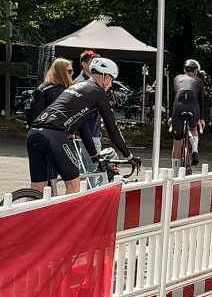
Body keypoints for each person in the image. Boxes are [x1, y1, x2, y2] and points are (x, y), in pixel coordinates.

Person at [26, 57, 140, 194]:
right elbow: (113, 130)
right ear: (106, 77)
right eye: (112, 79)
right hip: (54, 135)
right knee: (74, 184)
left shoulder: (76, 86)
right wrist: (129, 156)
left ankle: (28, 212)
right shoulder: (99, 93)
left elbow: (82, 126)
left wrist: (93, 154)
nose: (111, 84)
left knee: (38, 187)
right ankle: (65, 216)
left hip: (34, 132)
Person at [169, 59, 206, 169]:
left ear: (184, 70)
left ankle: (175, 171)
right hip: (193, 107)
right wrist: (201, 118)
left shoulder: (177, 78)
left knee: (177, 142)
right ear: (195, 71)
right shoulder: (198, 81)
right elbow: (201, 101)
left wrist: (171, 116)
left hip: (178, 107)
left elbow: (172, 100)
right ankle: (195, 150)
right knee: (193, 128)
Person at [74, 49, 102, 175]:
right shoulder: (82, 83)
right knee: (94, 169)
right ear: (84, 65)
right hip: (88, 132)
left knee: (84, 168)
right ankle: (91, 194)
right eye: (93, 62)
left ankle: (81, 192)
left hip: (89, 131)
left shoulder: (87, 82)